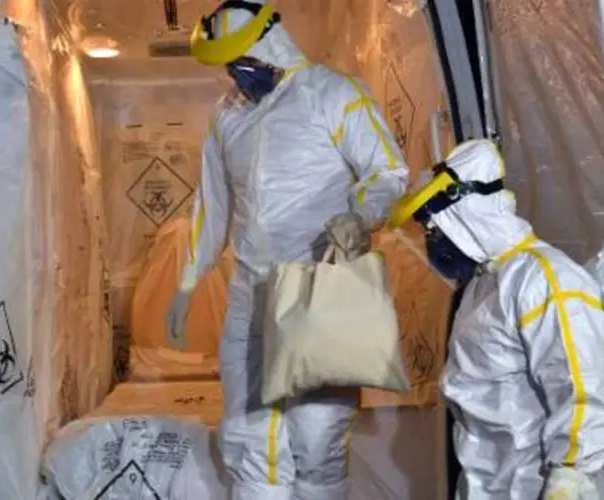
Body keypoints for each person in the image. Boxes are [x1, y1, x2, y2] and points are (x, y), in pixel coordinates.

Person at [164, 1, 409, 499]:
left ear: (270, 43)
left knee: (317, 438)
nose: (237, 75)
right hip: (248, 294)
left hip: (316, 288)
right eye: (229, 66)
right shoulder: (225, 118)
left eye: (244, 61)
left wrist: (361, 216)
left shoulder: (332, 94)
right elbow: (210, 206)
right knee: (246, 433)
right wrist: (189, 280)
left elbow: (388, 172)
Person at [387, 138, 604, 500]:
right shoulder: (485, 283)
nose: (431, 241)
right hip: (488, 484)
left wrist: (571, 476)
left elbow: (583, 385)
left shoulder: (544, 279)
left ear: (465, 214)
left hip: (534, 488)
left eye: (434, 229)